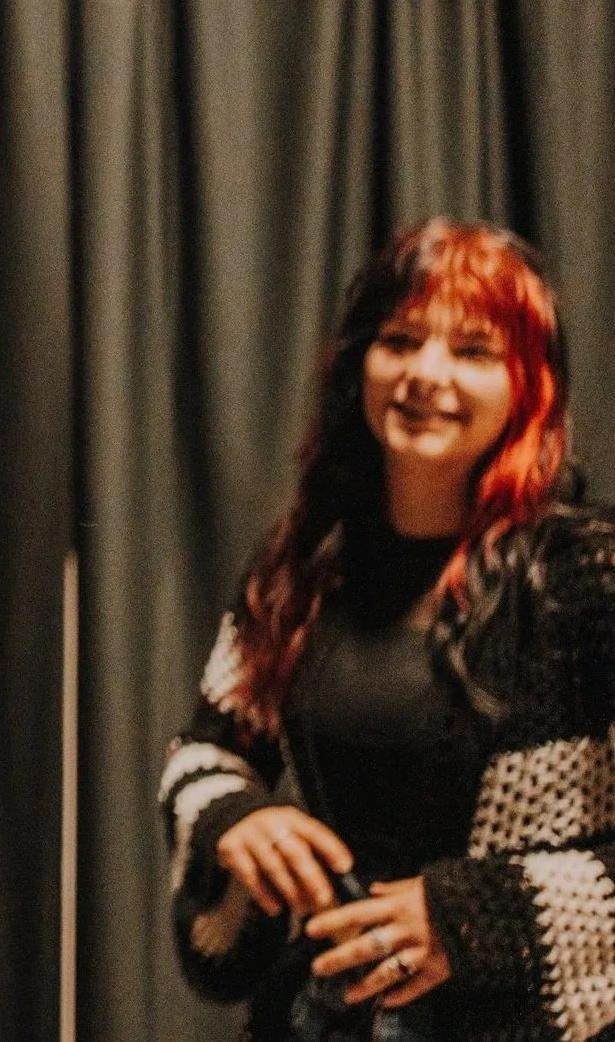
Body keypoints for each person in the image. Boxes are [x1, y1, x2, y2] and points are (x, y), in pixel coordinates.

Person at [161, 218, 615, 1041]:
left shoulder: (587, 578)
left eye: (472, 351)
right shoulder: (299, 569)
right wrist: (235, 816)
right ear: (359, 363)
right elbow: (205, 753)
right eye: (399, 339)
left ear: (528, 385)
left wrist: (470, 920)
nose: (424, 373)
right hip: (316, 1021)